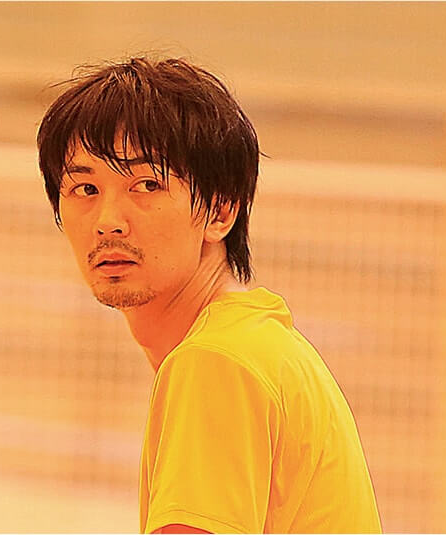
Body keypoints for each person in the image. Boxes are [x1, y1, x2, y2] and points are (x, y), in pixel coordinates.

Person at [36, 56, 382, 534]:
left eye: (146, 184)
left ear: (221, 211)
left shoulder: (217, 360)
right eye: (85, 188)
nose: (108, 221)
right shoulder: (253, 343)